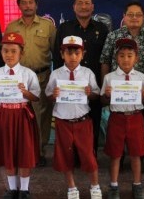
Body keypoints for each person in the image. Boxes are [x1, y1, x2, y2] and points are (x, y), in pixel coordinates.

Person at [46, 35, 102, 199]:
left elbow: (96, 94)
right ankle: (72, 187)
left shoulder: (87, 73)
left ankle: (95, 185)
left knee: (88, 155)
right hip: (63, 121)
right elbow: (48, 94)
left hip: (82, 121)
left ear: (82, 54)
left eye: (77, 53)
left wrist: (90, 93)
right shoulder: (56, 74)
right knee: (65, 156)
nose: (72, 57)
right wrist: (54, 95)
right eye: (68, 53)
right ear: (62, 55)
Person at [53, 0, 109, 154]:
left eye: (87, 3)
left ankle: (90, 155)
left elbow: (106, 58)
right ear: (74, 7)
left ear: (92, 7)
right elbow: (58, 57)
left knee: (93, 120)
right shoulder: (64, 28)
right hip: (69, 88)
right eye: (80, 3)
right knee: (70, 121)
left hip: (92, 86)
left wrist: (102, 85)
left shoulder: (102, 28)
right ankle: (71, 156)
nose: (83, 6)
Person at [5, 0, 56, 166]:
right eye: (24, 3)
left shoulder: (47, 25)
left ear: (36, 4)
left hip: (42, 76)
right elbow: (7, 53)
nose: (27, 6)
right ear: (19, 5)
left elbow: (56, 52)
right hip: (17, 80)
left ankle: (39, 151)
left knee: (41, 116)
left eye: (31, 2)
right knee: (19, 115)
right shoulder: (12, 27)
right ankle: (22, 150)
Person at [0, 33, 41, 199]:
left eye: (13, 51)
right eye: (5, 51)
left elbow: (37, 96)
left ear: (21, 53)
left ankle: (24, 189)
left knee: (24, 152)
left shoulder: (28, 74)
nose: (9, 55)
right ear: (1, 52)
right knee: (7, 151)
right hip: (3, 114)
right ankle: (12, 189)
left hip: (22, 114)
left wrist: (26, 93)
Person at [101, 38, 144, 199]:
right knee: (115, 154)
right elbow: (103, 100)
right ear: (116, 58)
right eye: (121, 55)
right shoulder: (109, 78)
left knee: (136, 154)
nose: (125, 59)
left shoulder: (141, 78)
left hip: (136, 118)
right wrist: (107, 95)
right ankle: (114, 185)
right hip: (117, 118)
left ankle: (137, 185)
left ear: (136, 58)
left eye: (130, 55)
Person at [100, 0, 144, 82]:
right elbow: (105, 62)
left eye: (138, 15)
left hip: (141, 88)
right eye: (130, 14)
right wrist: (104, 87)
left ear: (143, 17)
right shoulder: (113, 36)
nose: (134, 17)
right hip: (116, 86)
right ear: (124, 16)